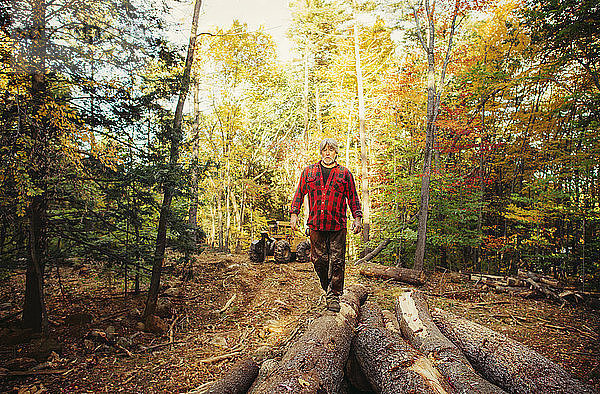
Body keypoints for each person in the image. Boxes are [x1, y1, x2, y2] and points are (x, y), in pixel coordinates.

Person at [290, 138, 363, 312]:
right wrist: (294, 214)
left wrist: (357, 218)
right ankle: (327, 288)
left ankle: (334, 296)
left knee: (337, 262)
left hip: (337, 224)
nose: (327, 153)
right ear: (321, 152)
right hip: (316, 224)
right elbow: (299, 193)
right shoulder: (309, 172)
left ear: (336, 152)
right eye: (324, 150)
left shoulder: (344, 174)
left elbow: (353, 197)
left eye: (331, 150)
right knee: (318, 261)